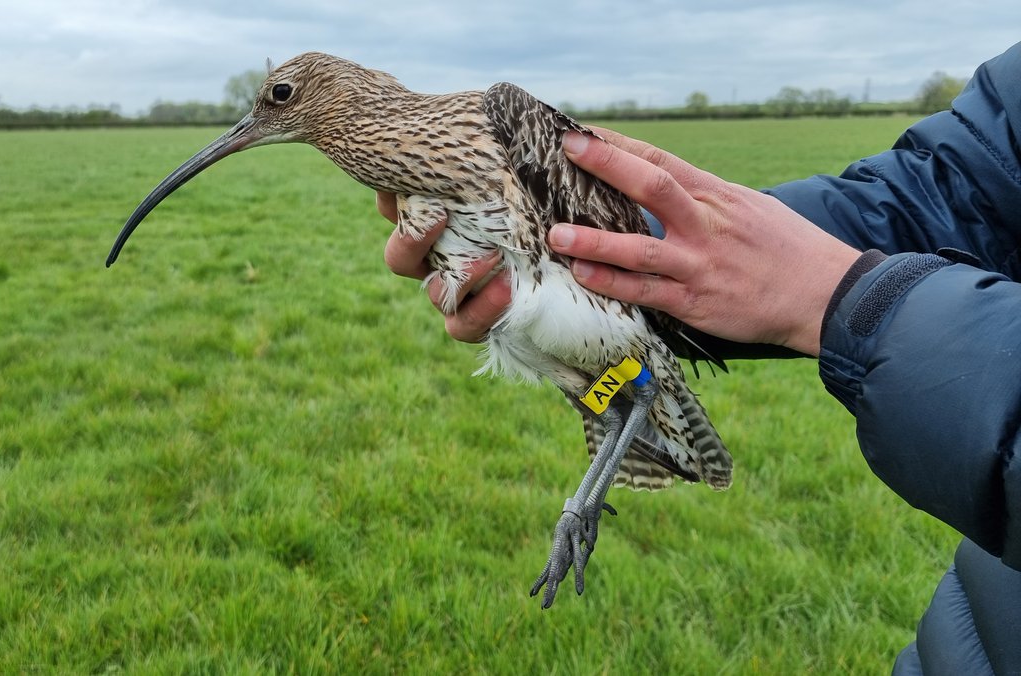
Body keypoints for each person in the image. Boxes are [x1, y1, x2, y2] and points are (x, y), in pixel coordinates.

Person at [379, 42, 1021, 674]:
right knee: (609, 375)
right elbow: (950, 193)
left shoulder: (496, 110)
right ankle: (617, 404)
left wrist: (841, 297)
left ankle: (600, 466)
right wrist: (659, 252)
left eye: (280, 99)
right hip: (971, 637)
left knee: (637, 383)